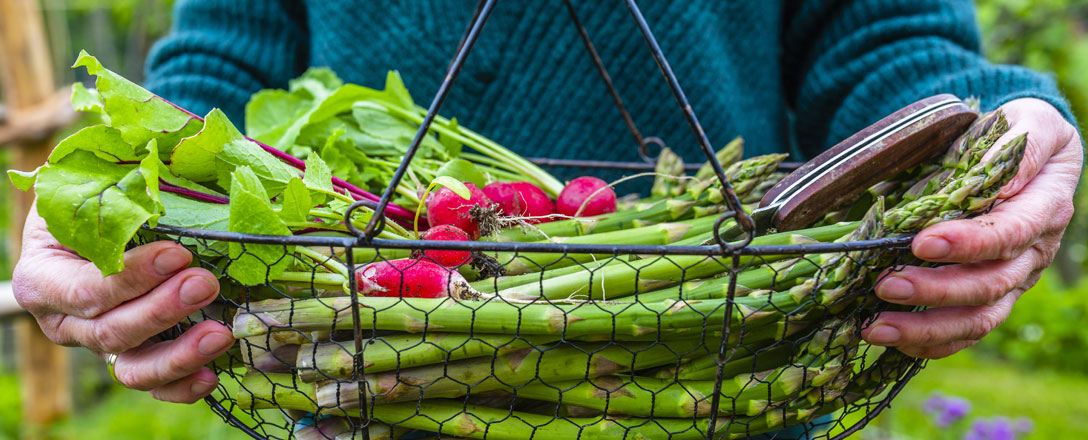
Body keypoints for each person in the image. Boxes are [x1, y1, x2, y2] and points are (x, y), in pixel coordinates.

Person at [12, 0, 1082, 433]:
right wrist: (121, 201)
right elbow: (224, 66)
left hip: (714, 375)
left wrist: (994, 127)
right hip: (362, 373)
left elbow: (883, 38)